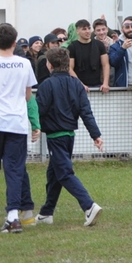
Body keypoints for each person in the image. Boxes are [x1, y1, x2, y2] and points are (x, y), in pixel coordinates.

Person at [32, 47, 103, 227]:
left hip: (56, 136)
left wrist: (35, 125)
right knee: (54, 173)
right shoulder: (76, 84)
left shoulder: (46, 85)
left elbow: (39, 109)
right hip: (69, 136)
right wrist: (96, 135)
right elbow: (86, 112)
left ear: (49, 65)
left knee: (63, 173)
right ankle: (47, 212)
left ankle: (89, 206)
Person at [0, 23, 37, 232]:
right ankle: (13, 216)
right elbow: (28, 95)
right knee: (14, 170)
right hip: (16, 123)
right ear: (14, 43)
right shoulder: (24, 64)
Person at [67, 19, 109, 91]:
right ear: (77, 31)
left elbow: (105, 65)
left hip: (97, 85)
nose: (87, 31)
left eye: (89, 28)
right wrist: (80, 84)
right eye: (84, 29)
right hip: (78, 86)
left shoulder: (99, 45)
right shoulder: (72, 47)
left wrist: (105, 83)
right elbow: (69, 68)